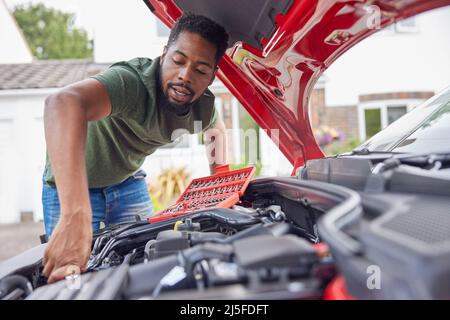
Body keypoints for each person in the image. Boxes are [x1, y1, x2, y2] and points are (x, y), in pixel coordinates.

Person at [41, 14, 229, 283]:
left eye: (200, 70)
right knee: (69, 273)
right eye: (178, 61)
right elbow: (61, 103)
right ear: (164, 55)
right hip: (72, 190)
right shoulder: (131, 83)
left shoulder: (202, 107)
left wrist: (221, 185)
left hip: (127, 183)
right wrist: (75, 214)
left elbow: (215, 129)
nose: (185, 76)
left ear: (212, 76)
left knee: (146, 262)